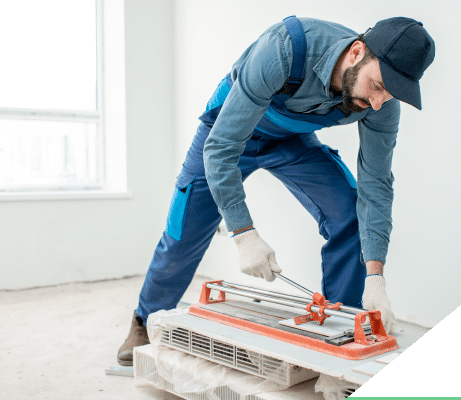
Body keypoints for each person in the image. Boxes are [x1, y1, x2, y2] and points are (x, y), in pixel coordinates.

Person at [117, 16, 435, 366]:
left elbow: (376, 185)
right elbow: (220, 149)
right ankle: (146, 320)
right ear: (356, 52)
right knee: (182, 231)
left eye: (389, 94)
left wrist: (375, 276)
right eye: (377, 86)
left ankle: (343, 335)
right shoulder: (286, 47)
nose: (378, 103)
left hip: (290, 141)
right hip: (226, 133)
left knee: (350, 212)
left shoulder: (381, 103)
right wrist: (244, 234)